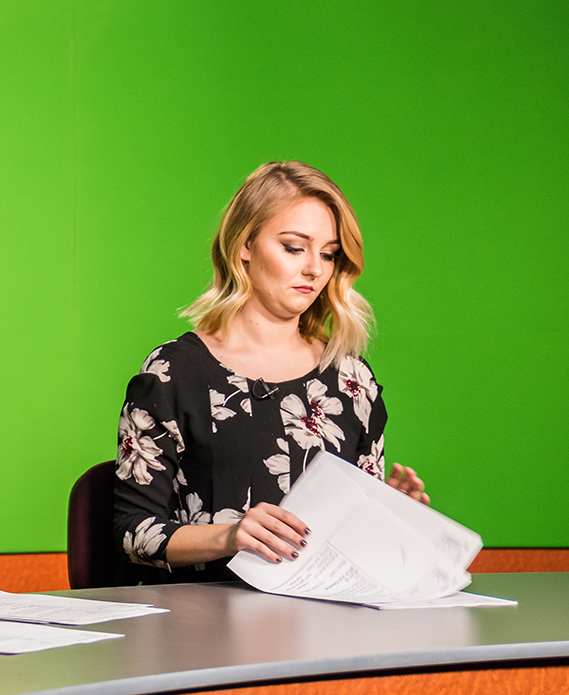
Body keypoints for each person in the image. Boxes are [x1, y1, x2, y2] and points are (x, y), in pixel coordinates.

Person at [113, 161, 431, 585]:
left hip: (322, 620)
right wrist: (231, 536)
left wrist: (386, 516)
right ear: (245, 245)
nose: (315, 269)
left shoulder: (351, 378)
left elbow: (348, 545)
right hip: (201, 625)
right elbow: (132, 533)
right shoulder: (172, 373)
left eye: (329, 254)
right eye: (294, 247)